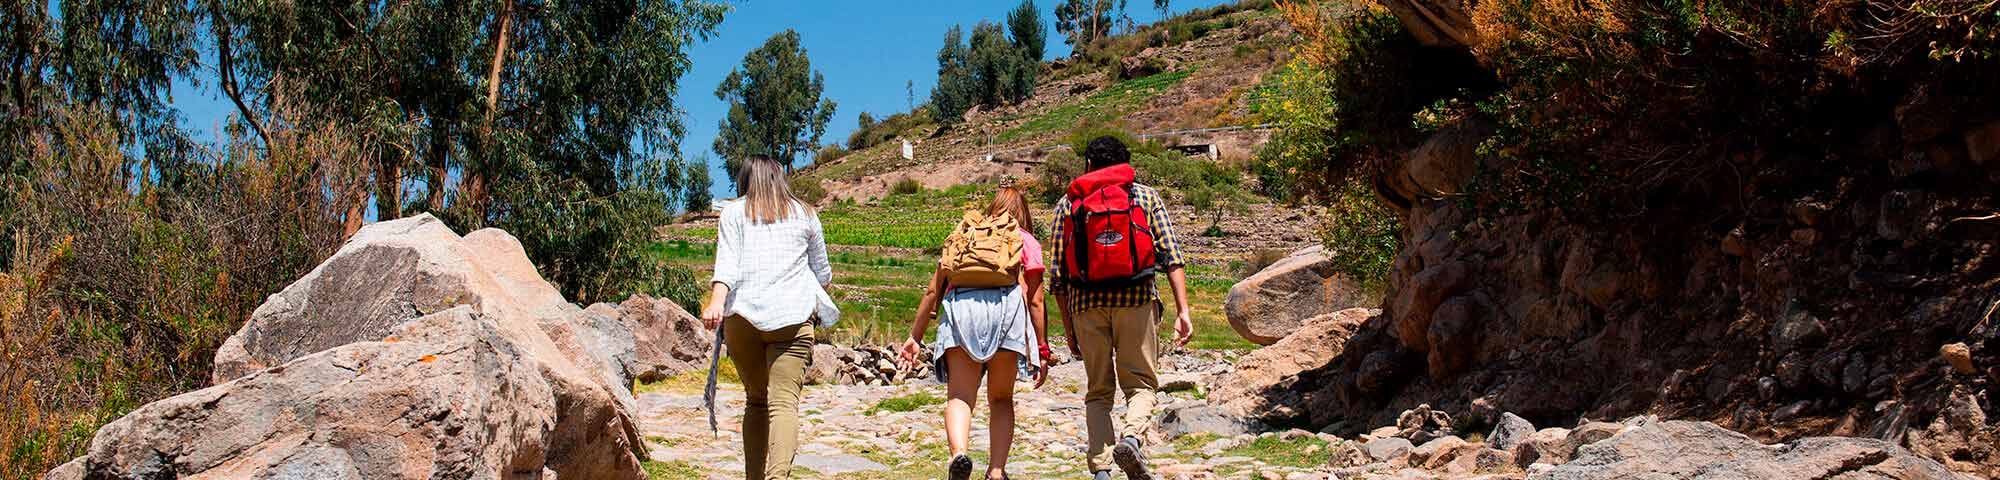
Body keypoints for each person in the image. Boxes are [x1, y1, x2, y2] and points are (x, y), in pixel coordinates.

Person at [1049, 136, 1193, 480]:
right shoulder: (1144, 196)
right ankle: (1131, 438)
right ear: (1125, 163)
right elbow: (1171, 255)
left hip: (1086, 304)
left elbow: (1057, 275)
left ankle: (1101, 470)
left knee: (1098, 391)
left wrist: (1069, 329)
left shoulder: (1069, 203)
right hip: (1137, 300)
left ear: (1087, 165)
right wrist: (1183, 310)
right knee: (1141, 385)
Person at [898, 180, 1054, 480]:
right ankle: (996, 472)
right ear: (1023, 214)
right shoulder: (1025, 241)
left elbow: (933, 291)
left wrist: (914, 337)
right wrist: (1042, 349)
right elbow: (1035, 300)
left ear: (991, 208)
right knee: (1000, 399)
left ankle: (959, 453)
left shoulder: (963, 235)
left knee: (959, 396)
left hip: (961, 312)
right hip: (1007, 314)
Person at [700, 155, 839, 480]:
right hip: (792, 320)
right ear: (781, 179)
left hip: (742, 321)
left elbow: (727, 266)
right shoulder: (806, 214)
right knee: (784, 404)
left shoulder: (733, 212)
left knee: (756, 401)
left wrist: (716, 303)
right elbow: (823, 275)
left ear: (745, 180)